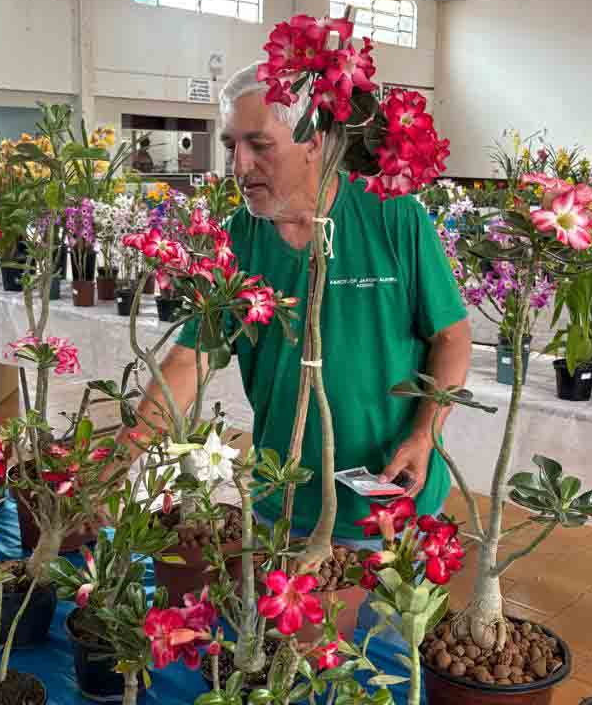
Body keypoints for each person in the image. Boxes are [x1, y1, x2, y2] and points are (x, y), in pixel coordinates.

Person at [115, 62, 472, 547]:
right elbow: (189, 361)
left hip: (390, 500)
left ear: (314, 140)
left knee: (384, 624)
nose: (239, 166)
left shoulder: (394, 217)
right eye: (230, 146)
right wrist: (114, 463)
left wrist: (425, 433)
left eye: (259, 144)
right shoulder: (239, 240)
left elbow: (450, 337)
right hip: (283, 500)